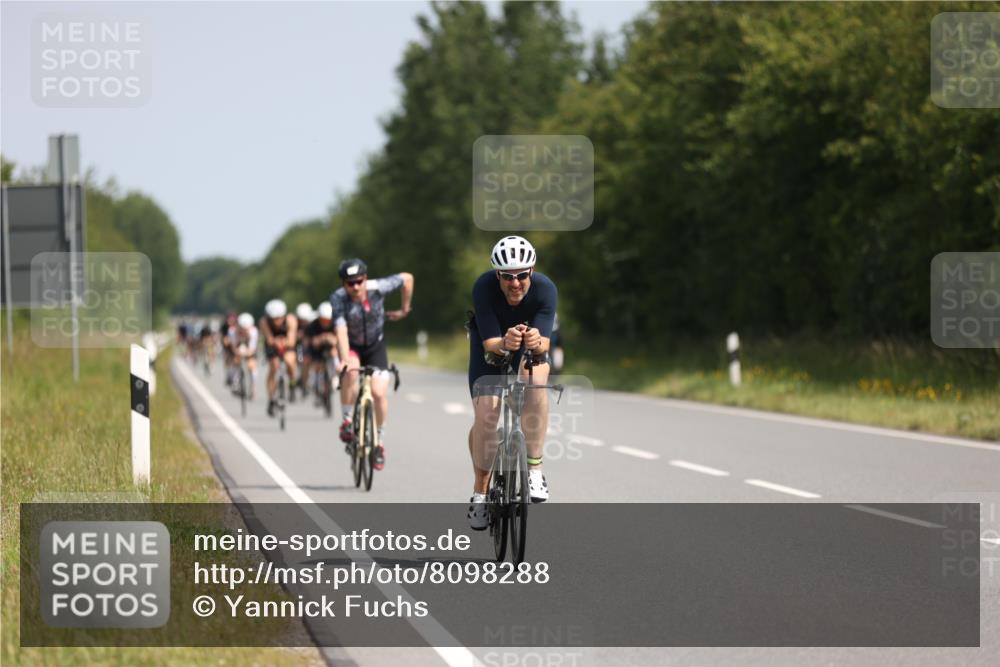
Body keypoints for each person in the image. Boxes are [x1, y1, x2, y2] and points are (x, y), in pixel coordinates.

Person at [465, 236, 556, 530]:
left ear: (532, 271)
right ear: (497, 275)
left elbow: (544, 344)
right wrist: (505, 342)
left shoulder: (545, 289)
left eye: (521, 275)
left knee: (537, 379)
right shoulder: (483, 287)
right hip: (490, 350)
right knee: (488, 415)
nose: (514, 283)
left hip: (527, 349)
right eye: (507, 276)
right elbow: (491, 344)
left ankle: (535, 468)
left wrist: (535, 341)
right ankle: (480, 493)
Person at [331, 258, 414, 470]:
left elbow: (407, 278)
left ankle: (379, 442)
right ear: (343, 284)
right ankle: (347, 421)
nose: (356, 287)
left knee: (378, 393)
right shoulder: (339, 299)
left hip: (376, 346)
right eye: (350, 283)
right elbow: (340, 331)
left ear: (365, 278)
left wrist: (404, 309)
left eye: (359, 281)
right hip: (353, 346)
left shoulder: (378, 288)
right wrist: (344, 359)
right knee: (350, 373)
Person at [259, 299, 299, 417]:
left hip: (287, 344)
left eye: (279, 318)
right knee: (274, 366)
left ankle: (292, 384)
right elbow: (269, 338)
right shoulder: (264, 321)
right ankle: (271, 398)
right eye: (273, 319)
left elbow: (292, 340)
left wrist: (285, 342)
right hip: (272, 345)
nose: (276, 321)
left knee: (290, 361)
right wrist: (275, 342)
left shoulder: (291, 320)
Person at [306, 301, 339, 400]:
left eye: (328, 320)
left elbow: (339, 340)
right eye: (323, 320)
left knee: (334, 352)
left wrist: (331, 339)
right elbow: (312, 342)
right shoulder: (313, 325)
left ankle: (335, 376)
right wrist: (321, 339)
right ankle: (315, 381)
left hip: (331, 348)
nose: (326, 323)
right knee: (316, 364)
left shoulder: (336, 324)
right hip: (317, 349)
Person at [229, 312, 259, 397]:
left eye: (246, 329)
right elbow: (233, 346)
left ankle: (253, 386)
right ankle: (235, 381)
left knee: (252, 365)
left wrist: (247, 353)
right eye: (242, 328)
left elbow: (252, 348)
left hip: (249, 348)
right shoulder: (232, 331)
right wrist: (238, 352)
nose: (244, 331)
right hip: (238, 346)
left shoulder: (254, 332)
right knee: (235, 360)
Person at [295, 302, 315, 394]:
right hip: (298, 345)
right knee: (301, 360)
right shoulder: (295, 323)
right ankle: (302, 378)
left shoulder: (312, 322)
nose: (303, 322)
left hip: (310, 345)